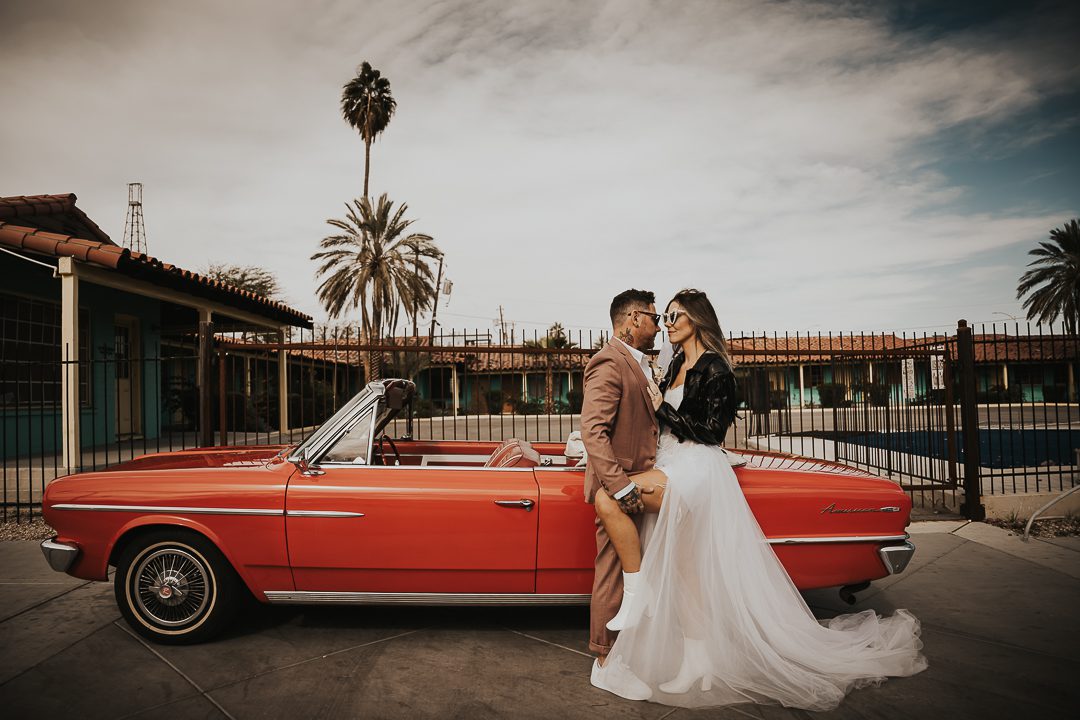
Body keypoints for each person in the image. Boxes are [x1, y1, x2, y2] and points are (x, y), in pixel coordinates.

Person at [596, 289, 928, 710]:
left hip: (696, 468)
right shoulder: (675, 362)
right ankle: (698, 662)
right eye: (663, 316)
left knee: (611, 500)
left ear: (696, 319)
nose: (666, 323)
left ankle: (637, 594)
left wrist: (663, 409)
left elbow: (712, 431)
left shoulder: (717, 368)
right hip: (669, 460)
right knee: (686, 572)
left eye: (674, 315)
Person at [580, 289, 665, 700]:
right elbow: (592, 431)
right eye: (654, 317)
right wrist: (622, 487)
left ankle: (623, 654)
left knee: (627, 568)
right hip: (619, 487)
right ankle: (605, 662)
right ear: (633, 318)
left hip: (637, 480)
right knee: (613, 570)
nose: (659, 325)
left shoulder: (637, 363)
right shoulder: (609, 361)